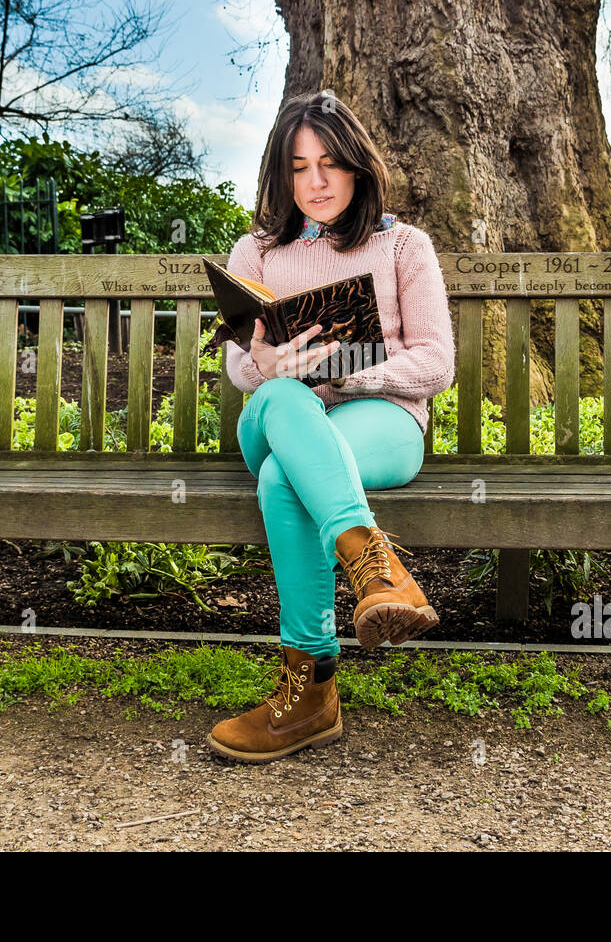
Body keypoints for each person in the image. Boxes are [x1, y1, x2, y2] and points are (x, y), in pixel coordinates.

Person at [206, 90, 456, 764]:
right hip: (277, 414)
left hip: (379, 421)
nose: (315, 182)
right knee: (289, 404)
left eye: (330, 163)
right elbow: (237, 362)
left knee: (288, 478)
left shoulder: (403, 245)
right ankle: (378, 572)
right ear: (280, 175)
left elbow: (436, 360)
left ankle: (311, 690)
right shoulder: (257, 250)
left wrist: (348, 374)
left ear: (357, 166)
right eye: (298, 167)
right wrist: (266, 361)